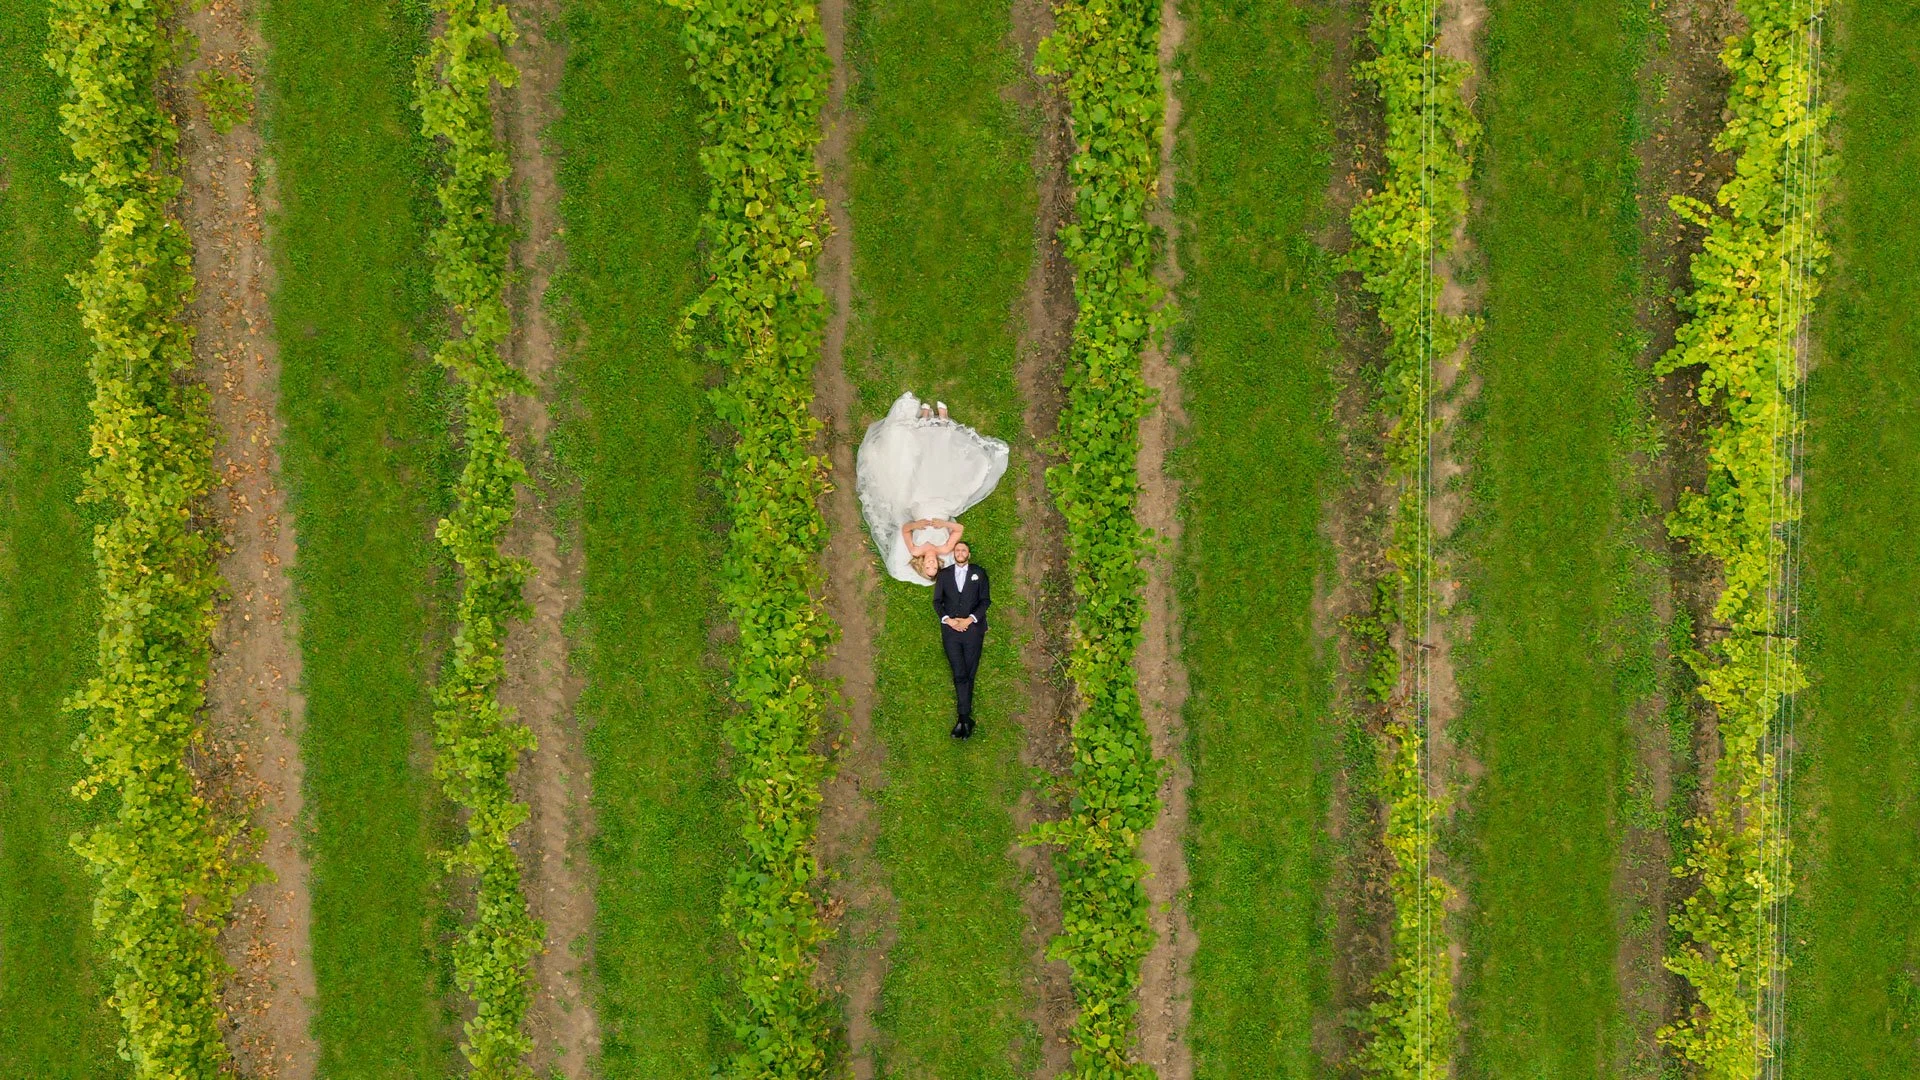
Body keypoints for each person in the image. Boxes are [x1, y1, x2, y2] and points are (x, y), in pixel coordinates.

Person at [855, 391, 1008, 585]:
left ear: (921, 565)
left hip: (919, 505)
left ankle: (926, 421)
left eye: (927, 568)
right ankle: (943, 422)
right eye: (934, 567)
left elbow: (905, 529)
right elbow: (959, 529)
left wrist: (917, 526)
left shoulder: (915, 550)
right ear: (938, 564)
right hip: (943, 506)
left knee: (921, 467)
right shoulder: (944, 550)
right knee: (944, 467)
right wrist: (944, 525)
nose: (931, 564)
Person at [931, 541, 989, 738]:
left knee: (969, 673)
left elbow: (985, 600)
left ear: (969, 554)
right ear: (953, 554)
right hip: (951, 631)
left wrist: (970, 620)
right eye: (957, 550)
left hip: (973, 629)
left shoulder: (979, 573)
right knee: (959, 673)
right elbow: (937, 601)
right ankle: (965, 718)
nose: (960, 552)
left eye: (964, 549)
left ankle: (963, 719)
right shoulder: (944, 574)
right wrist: (949, 620)